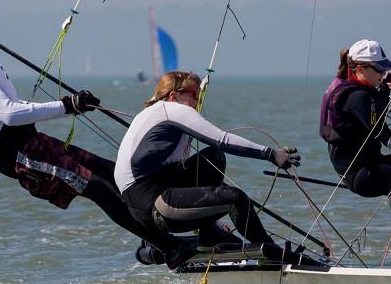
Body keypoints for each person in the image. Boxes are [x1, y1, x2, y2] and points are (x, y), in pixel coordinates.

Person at [0, 0, 174, 263]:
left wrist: (73, 104)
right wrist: (66, 106)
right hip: (12, 152)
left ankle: (157, 237)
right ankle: (169, 248)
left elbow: (11, 107)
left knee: (115, 173)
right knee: (99, 188)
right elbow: (9, 114)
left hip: (29, 141)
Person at [114, 71, 301, 268]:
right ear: (173, 95)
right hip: (154, 205)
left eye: (200, 95)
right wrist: (271, 154)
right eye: (193, 95)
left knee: (213, 156)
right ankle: (272, 256)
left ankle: (210, 234)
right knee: (235, 199)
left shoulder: (153, 110)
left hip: (148, 195)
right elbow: (222, 140)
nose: (197, 101)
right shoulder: (172, 109)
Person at [319, 39, 391, 197]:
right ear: (360, 68)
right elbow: (390, 142)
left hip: (364, 170)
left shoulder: (351, 87)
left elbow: (372, 113)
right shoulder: (357, 97)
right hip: (366, 176)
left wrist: (384, 90)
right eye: (379, 69)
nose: (383, 74)